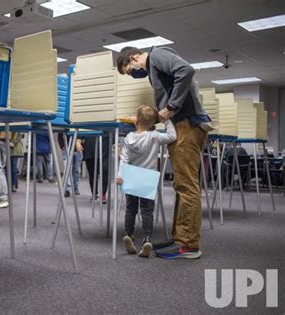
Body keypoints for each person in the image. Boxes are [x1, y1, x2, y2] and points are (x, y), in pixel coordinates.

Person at [117, 46, 209, 259]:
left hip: (187, 124)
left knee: (187, 186)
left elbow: (186, 70)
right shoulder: (154, 67)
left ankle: (189, 245)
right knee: (181, 184)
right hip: (182, 125)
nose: (133, 75)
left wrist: (172, 106)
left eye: (130, 70)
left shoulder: (157, 55)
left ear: (134, 57)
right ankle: (180, 238)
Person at [116, 105, 177, 258]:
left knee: (131, 209)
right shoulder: (154, 136)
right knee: (146, 210)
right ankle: (147, 240)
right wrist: (166, 120)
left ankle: (129, 235)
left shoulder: (129, 137)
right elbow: (172, 136)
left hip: (131, 175)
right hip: (148, 177)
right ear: (153, 124)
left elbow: (124, 158)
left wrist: (120, 174)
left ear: (136, 120)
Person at [82, 136, 109, 203]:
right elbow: (81, 134)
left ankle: (103, 194)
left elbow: (113, 138)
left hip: (104, 152)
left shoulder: (106, 126)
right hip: (90, 151)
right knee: (92, 174)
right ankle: (94, 194)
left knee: (104, 173)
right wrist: (78, 142)